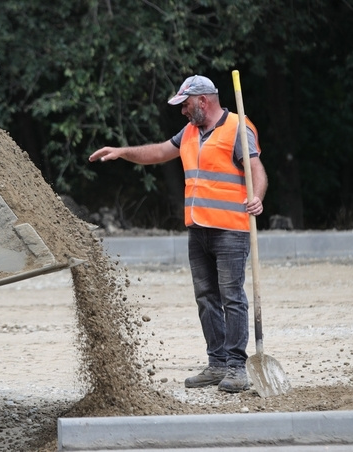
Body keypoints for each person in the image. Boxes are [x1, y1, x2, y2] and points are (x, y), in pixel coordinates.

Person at [89, 75, 268, 393]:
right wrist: (122, 152)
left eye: (185, 104)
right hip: (198, 228)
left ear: (203, 101)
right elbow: (159, 152)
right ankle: (217, 365)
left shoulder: (238, 128)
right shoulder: (190, 132)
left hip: (230, 229)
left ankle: (237, 368)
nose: (183, 111)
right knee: (206, 299)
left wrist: (258, 197)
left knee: (232, 298)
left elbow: (256, 170)